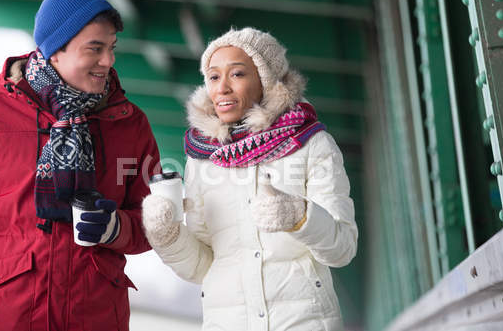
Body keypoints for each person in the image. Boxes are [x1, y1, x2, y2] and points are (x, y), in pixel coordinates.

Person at [0, 0, 160, 331]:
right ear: (55, 50)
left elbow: (157, 221)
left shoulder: (130, 124)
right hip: (5, 317)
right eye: (95, 48)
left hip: (95, 316)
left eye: (111, 48)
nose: (109, 61)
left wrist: (116, 227)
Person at [142, 27, 358, 331]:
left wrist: (300, 217)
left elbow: (342, 248)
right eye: (214, 77)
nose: (222, 88)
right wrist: (168, 237)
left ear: (266, 80)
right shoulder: (201, 160)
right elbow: (202, 266)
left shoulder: (312, 144)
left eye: (237, 74)